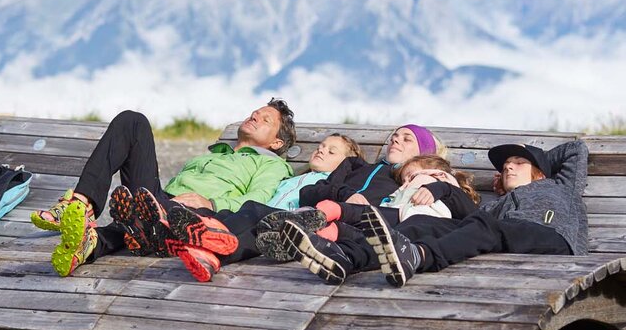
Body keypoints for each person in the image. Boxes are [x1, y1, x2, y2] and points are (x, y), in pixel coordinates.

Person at [30, 99, 296, 276]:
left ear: (276, 143)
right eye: (255, 113)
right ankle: (81, 203)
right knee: (132, 121)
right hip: (159, 202)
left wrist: (212, 203)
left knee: (143, 218)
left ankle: (95, 242)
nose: (255, 116)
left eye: (266, 120)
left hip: (195, 218)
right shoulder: (216, 154)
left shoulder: (271, 164)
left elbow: (259, 200)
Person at [116, 133, 365, 281]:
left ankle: (173, 234)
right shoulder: (290, 177)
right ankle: (168, 237)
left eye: (331, 151)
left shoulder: (332, 184)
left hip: (284, 222)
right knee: (227, 214)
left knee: (252, 211)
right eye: (321, 147)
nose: (321, 151)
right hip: (253, 217)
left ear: (346, 163)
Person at [353, 140, 588, 287]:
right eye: (506, 164)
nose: (508, 166)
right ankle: (352, 257)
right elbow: (468, 224)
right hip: (507, 240)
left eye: (519, 162)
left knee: (486, 225)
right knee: (423, 222)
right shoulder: (494, 207)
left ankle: (419, 256)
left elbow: (576, 149)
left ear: (540, 172)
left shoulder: (560, 185)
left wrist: (537, 157)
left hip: (554, 239)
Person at [275, 153, 479, 284]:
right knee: (371, 226)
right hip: (400, 220)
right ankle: (328, 239)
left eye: (411, 176)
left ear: (438, 173)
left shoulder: (441, 182)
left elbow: (470, 214)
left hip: (418, 223)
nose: (406, 183)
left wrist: (440, 188)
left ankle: (328, 225)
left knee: (371, 226)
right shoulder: (407, 188)